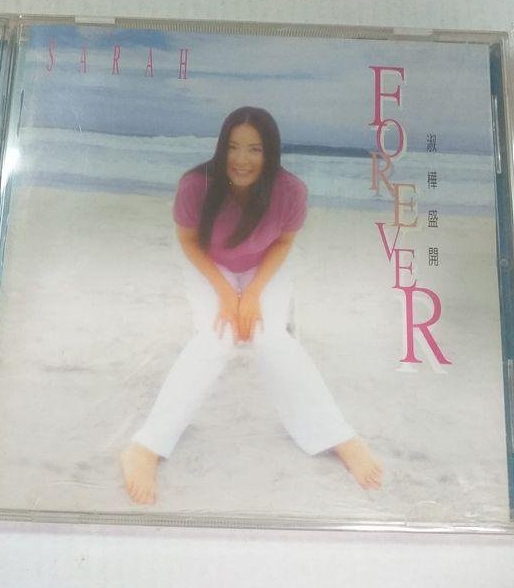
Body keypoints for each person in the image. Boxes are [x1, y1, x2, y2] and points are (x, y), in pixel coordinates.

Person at [120, 106, 383, 504]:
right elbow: (188, 241)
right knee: (216, 338)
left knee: (269, 337)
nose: (241, 159)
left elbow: (284, 242)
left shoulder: (291, 191)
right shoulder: (195, 185)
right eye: (233, 147)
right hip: (209, 263)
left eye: (255, 149)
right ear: (221, 147)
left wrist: (254, 293)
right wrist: (228, 296)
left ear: (270, 152)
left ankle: (341, 438)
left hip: (265, 264)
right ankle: (145, 448)